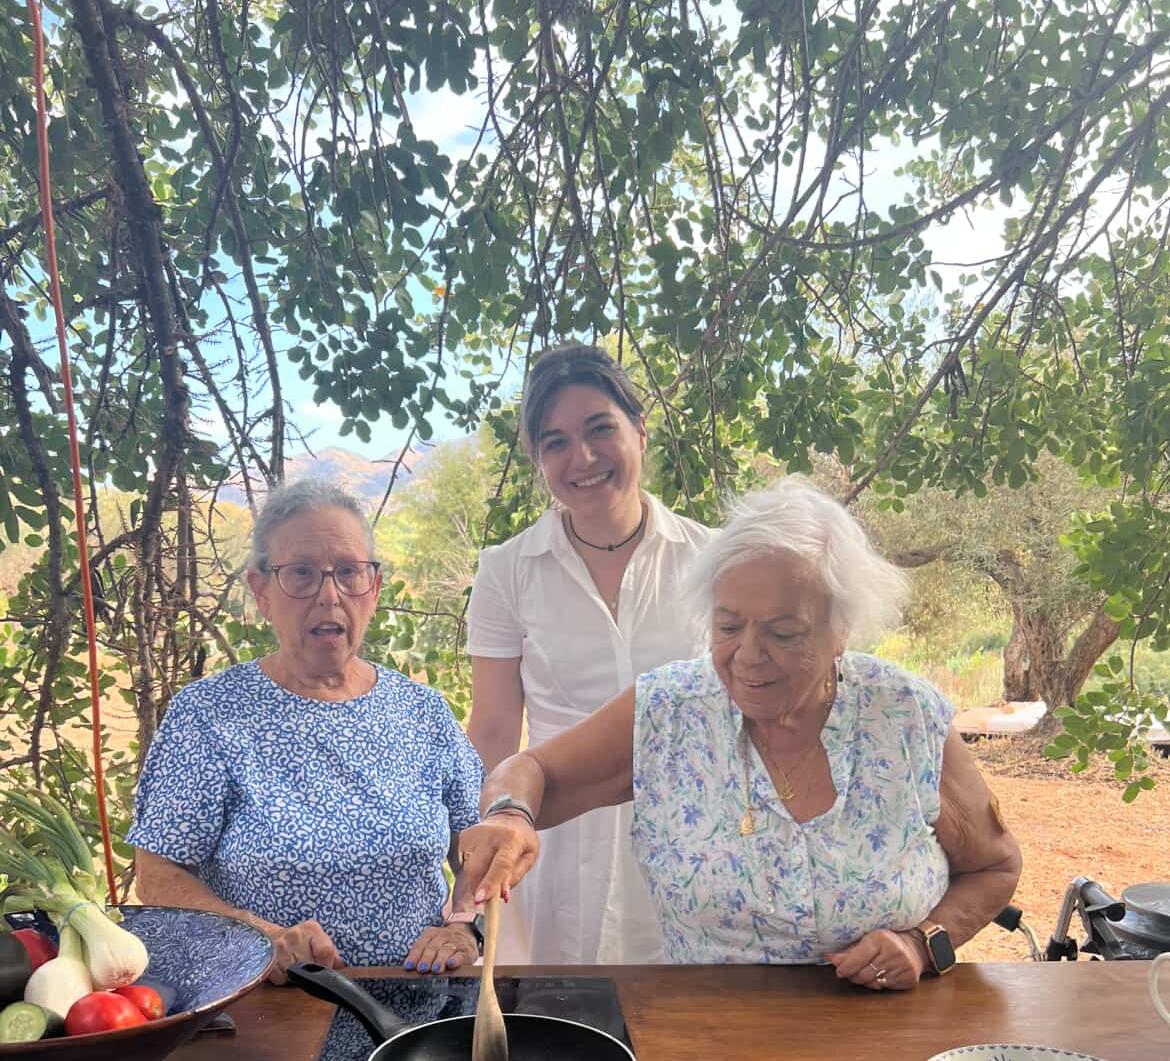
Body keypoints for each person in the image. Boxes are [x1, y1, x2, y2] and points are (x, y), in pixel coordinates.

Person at [459, 477, 1022, 987]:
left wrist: (923, 945)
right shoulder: (670, 711)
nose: (749, 657)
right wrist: (510, 815)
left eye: (784, 632)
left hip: (880, 1041)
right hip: (706, 1040)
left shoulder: (905, 715)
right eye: (728, 626)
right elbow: (531, 771)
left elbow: (993, 867)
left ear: (842, 628)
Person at [130, 481, 484, 979]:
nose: (329, 595)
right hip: (267, 1004)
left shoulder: (422, 712)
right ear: (262, 592)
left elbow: (479, 847)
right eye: (301, 574)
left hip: (415, 1005)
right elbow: (158, 874)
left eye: (348, 572)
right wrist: (257, 936)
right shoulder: (208, 715)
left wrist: (464, 925)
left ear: (374, 587)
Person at [467, 344, 713, 967]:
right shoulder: (506, 571)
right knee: (558, 1040)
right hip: (554, 844)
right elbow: (494, 727)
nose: (581, 458)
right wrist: (480, 850)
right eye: (555, 442)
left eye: (600, 429)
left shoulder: (715, 561)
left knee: (689, 1038)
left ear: (640, 430)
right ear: (538, 460)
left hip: (694, 841)